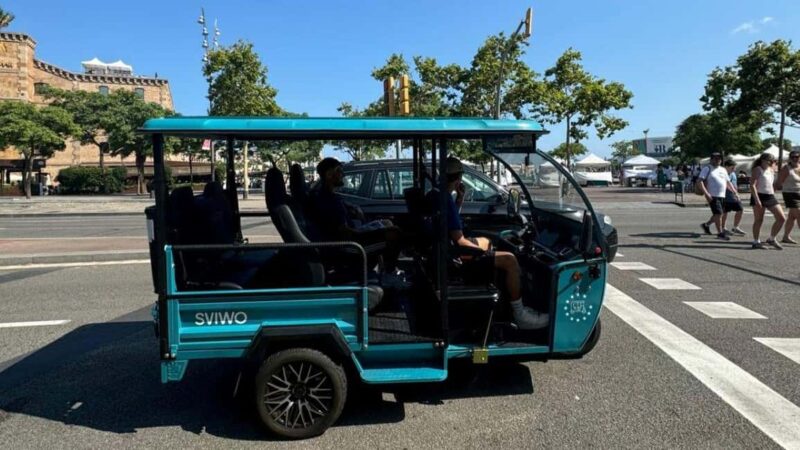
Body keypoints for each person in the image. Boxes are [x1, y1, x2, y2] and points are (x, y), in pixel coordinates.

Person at [439, 157, 547, 330]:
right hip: (456, 255)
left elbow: (451, 224)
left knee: (487, 241)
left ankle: (499, 300)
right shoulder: (445, 199)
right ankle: (519, 313)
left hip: (447, 251)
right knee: (510, 259)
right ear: (459, 177)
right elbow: (459, 240)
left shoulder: (441, 196)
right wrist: (480, 252)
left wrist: (459, 199)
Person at [309, 157, 402, 276]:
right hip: (347, 247)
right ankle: (390, 275)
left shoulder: (328, 196)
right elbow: (344, 232)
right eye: (339, 171)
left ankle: (385, 271)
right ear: (329, 175)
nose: (342, 174)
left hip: (349, 238)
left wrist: (352, 209)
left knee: (387, 223)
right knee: (395, 233)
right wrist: (370, 232)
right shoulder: (327, 200)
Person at [750, 153, 786, 249]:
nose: (771, 162)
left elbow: (772, 183)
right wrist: (757, 200)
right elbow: (752, 185)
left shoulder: (771, 169)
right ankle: (756, 242)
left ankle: (771, 239)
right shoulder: (757, 169)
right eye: (769, 160)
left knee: (781, 218)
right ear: (763, 160)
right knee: (759, 219)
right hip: (759, 195)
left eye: (773, 161)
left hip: (770, 196)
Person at [698, 152, 736, 240]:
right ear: (711, 159)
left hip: (722, 195)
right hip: (712, 195)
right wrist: (706, 193)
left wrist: (734, 192)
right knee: (718, 213)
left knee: (719, 214)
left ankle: (706, 225)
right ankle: (720, 233)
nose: (718, 160)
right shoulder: (707, 168)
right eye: (715, 158)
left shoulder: (723, 169)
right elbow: (699, 181)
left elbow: (728, 182)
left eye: (719, 159)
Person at [776, 150, 800, 244]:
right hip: (790, 194)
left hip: (799, 193)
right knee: (799, 215)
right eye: (793, 157)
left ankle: (786, 237)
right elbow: (778, 183)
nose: (795, 158)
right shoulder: (786, 168)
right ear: (790, 158)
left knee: (792, 217)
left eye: (797, 157)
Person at [720, 159, 746, 236]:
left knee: (740, 209)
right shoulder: (723, 174)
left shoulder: (733, 174)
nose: (734, 169)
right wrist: (735, 193)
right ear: (726, 167)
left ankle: (735, 227)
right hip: (726, 196)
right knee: (725, 212)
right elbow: (727, 185)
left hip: (733, 195)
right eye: (732, 167)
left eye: (734, 167)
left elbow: (734, 184)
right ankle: (723, 228)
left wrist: (736, 192)